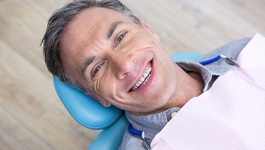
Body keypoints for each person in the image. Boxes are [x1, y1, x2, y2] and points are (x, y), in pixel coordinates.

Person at [41, 0, 251, 149]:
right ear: (97, 97)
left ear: (148, 30)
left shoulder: (246, 52)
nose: (124, 65)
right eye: (97, 68)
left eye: (120, 37)